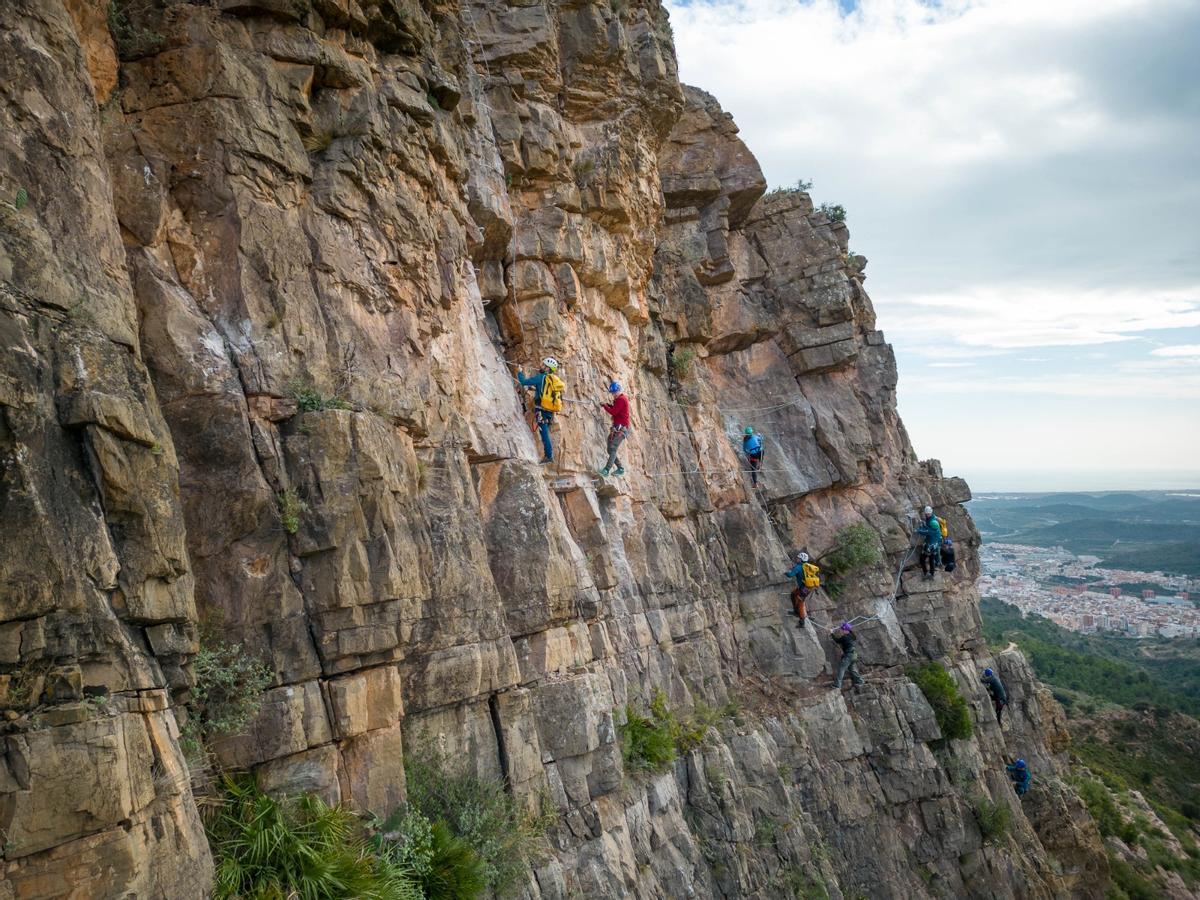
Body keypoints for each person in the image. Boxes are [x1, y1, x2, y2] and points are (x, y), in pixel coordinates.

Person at [517, 358, 564, 465]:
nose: (541, 366)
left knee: (544, 433)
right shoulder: (553, 380)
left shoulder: (540, 378)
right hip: (550, 411)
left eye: (543, 365)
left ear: (547, 368)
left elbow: (523, 382)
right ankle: (549, 454)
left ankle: (549, 456)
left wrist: (519, 372)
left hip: (541, 410)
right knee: (545, 430)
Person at [598, 381, 630, 477]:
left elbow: (614, 412)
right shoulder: (620, 399)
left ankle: (606, 470)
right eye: (612, 393)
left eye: (614, 393)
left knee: (613, 448)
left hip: (621, 429)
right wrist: (608, 405)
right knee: (610, 449)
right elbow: (616, 409)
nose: (613, 395)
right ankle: (620, 468)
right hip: (618, 428)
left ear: (618, 391)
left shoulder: (621, 399)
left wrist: (605, 406)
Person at [785, 551, 820, 628]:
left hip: (804, 588)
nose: (797, 559)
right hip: (808, 587)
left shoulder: (798, 567)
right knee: (793, 594)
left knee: (801, 602)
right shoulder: (807, 566)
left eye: (798, 558)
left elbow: (790, 575)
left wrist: (785, 573)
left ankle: (802, 622)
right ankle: (796, 611)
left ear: (801, 559)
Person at [831, 622, 865, 688]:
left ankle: (837, 685)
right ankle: (860, 681)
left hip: (849, 655)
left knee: (841, 668)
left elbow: (837, 640)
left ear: (846, 630)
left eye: (842, 629)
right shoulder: (852, 636)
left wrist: (831, 633)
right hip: (853, 655)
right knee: (852, 669)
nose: (841, 631)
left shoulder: (844, 637)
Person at [916, 505, 943, 579]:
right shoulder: (934, 520)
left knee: (922, 559)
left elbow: (924, 532)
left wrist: (917, 530)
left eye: (928, 514)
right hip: (935, 544)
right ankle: (932, 574)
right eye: (926, 514)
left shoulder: (931, 529)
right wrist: (924, 524)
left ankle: (926, 573)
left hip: (929, 546)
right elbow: (927, 528)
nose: (927, 515)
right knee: (931, 559)